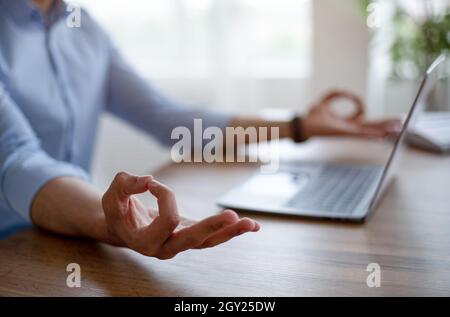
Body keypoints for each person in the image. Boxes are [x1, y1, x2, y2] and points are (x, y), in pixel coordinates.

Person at [0, 0, 400, 259]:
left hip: (72, 243)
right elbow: (17, 158)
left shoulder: (84, 29)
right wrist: (112, 222)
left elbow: (171, 121)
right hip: (15, 250)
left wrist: (299, 126)